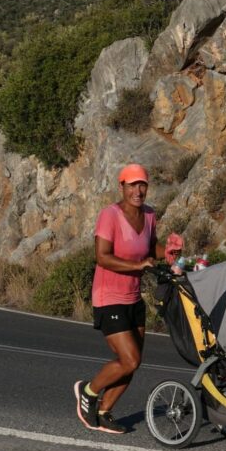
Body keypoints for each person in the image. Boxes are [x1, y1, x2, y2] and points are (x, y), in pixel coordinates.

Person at [74, 163, 183, 434]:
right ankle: (88, 391)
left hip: (133, 297)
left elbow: (149, 248)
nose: (138, 190)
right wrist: (137, 266)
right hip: (109, 296)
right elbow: (102, 257)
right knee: (129, 359)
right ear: (121, 186)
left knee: (133, 363)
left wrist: (168, 252)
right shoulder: (109, 215)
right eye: (132, 185)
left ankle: (104, 411)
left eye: (142, 184)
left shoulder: (149, 215)